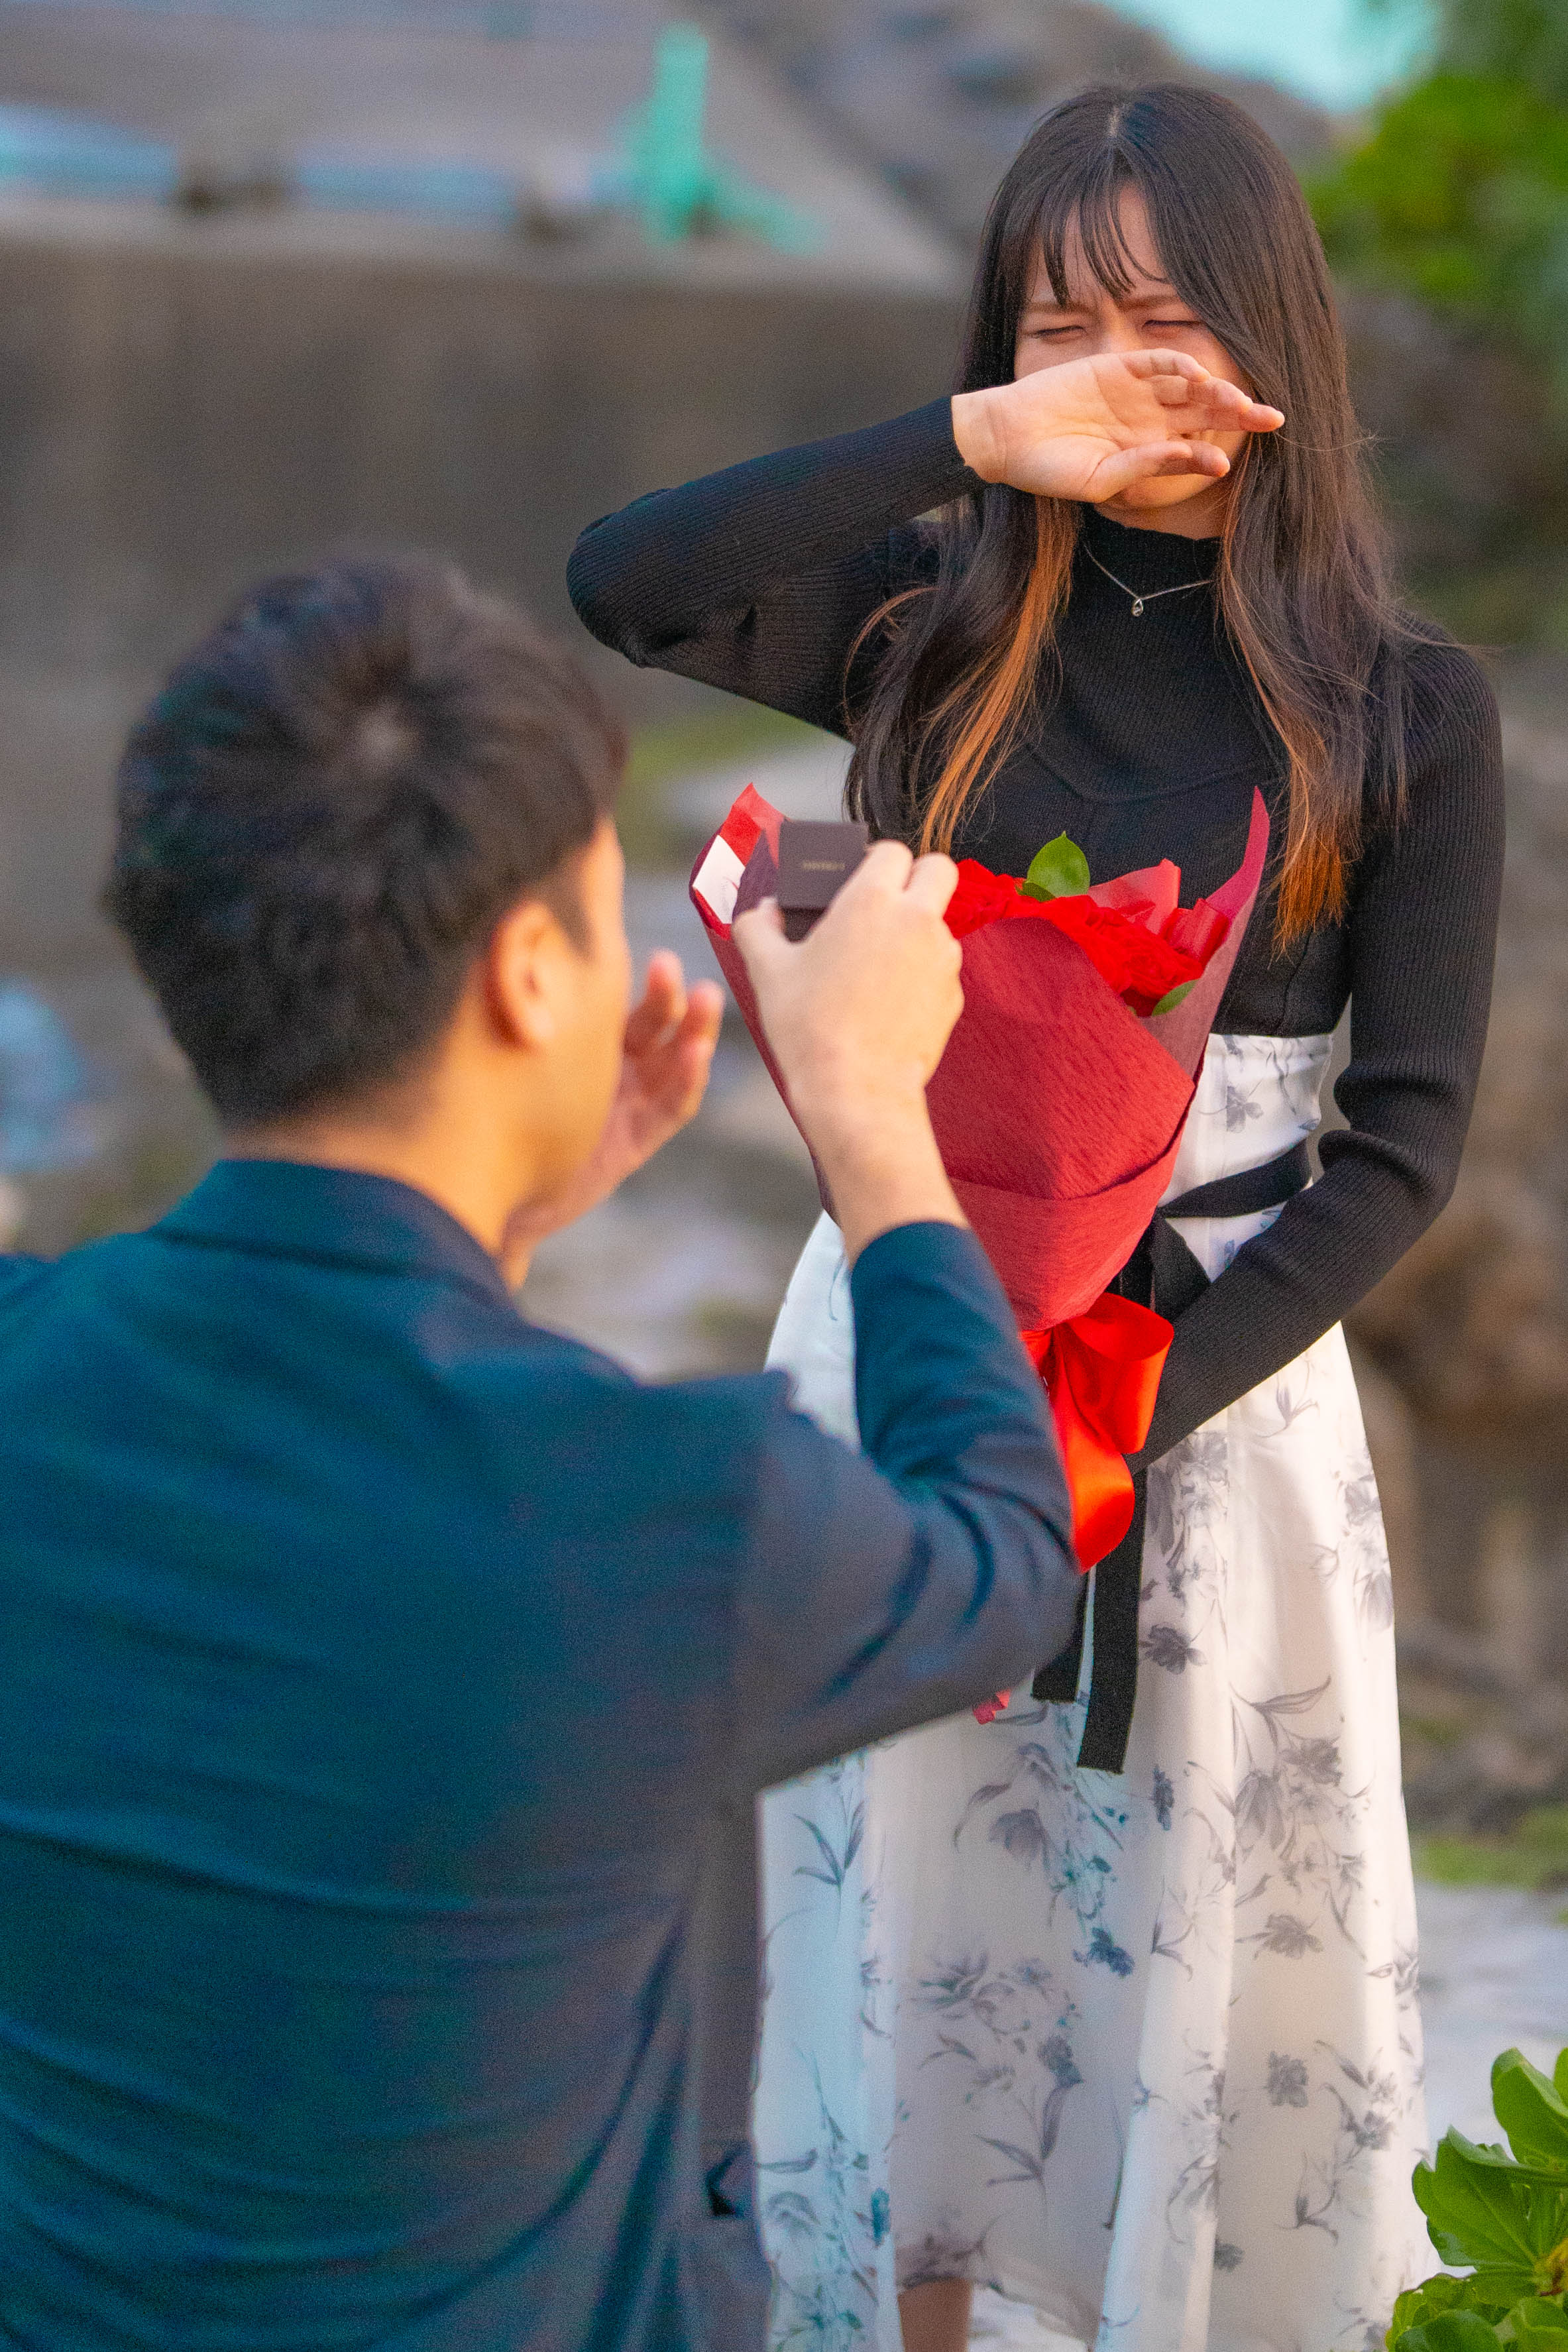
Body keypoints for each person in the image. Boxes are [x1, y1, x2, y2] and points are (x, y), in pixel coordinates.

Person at [568, 82, 1504, 2352]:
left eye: (1165, 323)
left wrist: (1109, 1408)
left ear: (1272, 342)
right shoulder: (926, 633)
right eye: (1063, 328)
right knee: (887, 1954)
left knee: (1172, 1990)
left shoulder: (1402, 713)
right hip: (892, 1362)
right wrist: (978, 447)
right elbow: (626, 578)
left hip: (1205, 1420)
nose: (1119, 375)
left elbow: (1399, 1152)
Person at [0, 557, 1083, 2352]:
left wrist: (490, 1219)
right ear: (525, 974)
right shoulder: (676, 1514)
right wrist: (879, 1116)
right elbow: (997, 1558)